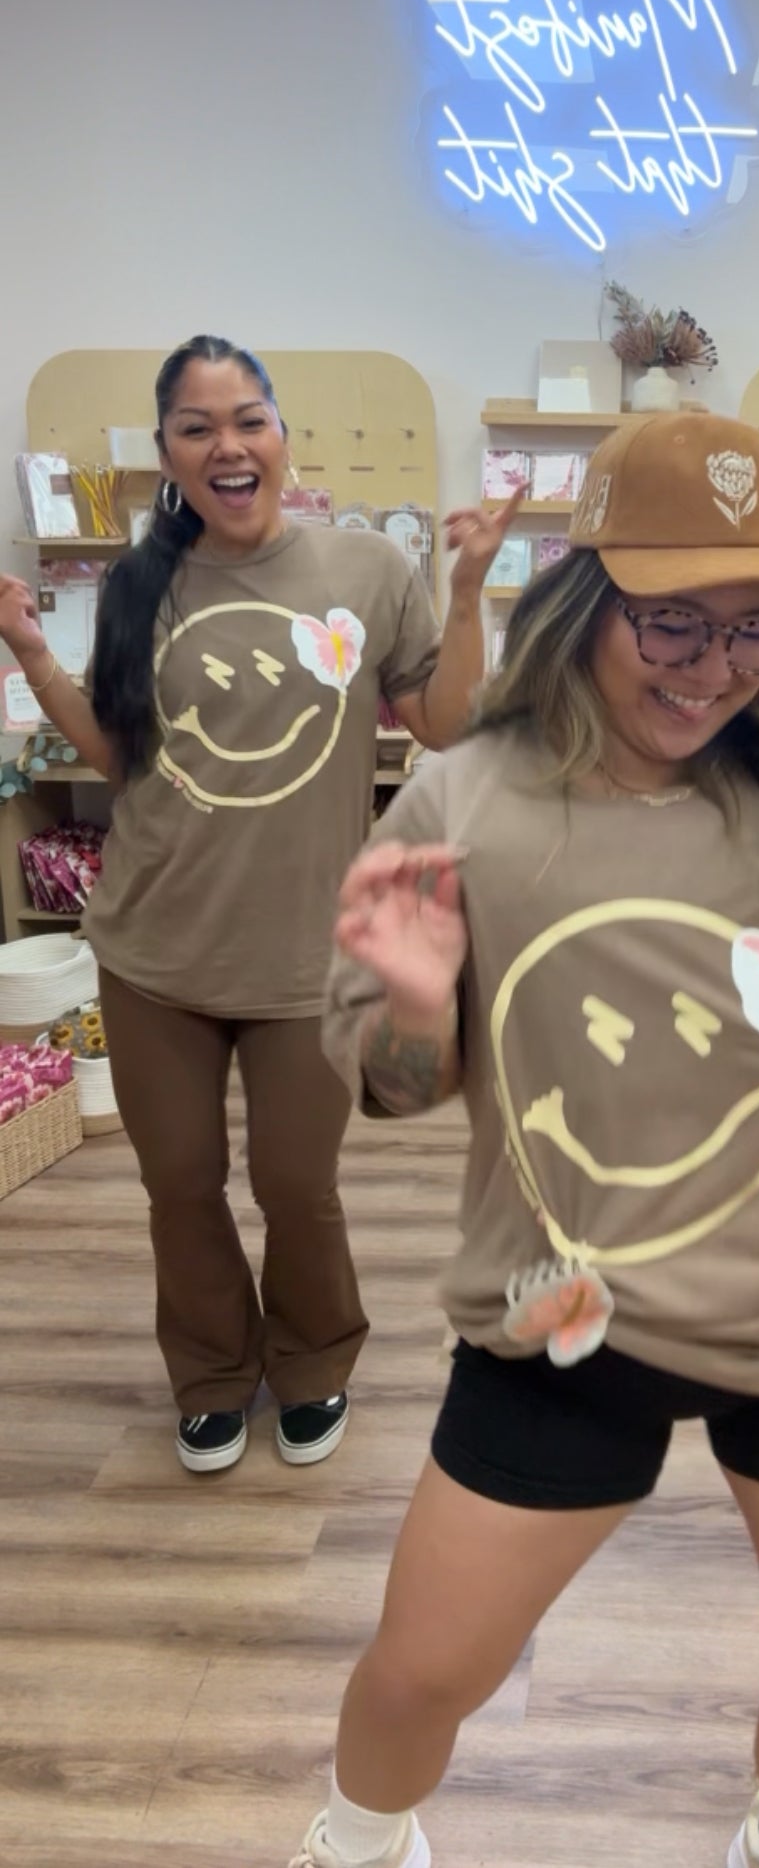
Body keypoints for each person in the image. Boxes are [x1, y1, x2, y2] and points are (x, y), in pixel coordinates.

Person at [295, 412, 759, 1868]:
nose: (713, 667)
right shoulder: (468, 797)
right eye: (672, 621)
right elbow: (396, 1090)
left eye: (755, 627)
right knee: (420, 1672)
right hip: (561, 1306)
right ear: (587, 598)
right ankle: (357, 1841)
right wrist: (417, 1007)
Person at [0, 334, 515, 1474]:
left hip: (304, 959)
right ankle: (211, 1372)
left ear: (282, 436)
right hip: (152, 951)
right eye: (197, 428)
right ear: (169, 454)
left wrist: (467, 591)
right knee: (179, 1184)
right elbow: (118, 757)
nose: (227, 445)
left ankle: (315, 1356)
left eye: (248, 420)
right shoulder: (139, 586)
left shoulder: (366, 572)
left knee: (296, 1182)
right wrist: (33, 654)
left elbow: (443, 721)